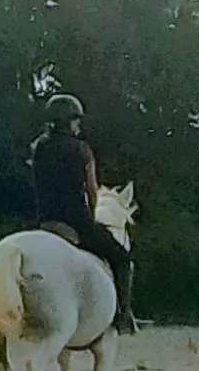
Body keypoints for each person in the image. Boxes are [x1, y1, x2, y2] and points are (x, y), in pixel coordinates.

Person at [30, 93, 137, 335]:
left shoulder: (39, 147)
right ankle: (124, 314)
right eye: (76, 120)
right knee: (122, 258)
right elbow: (92, 191)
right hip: (75, 221)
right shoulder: (81, 150)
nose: (78, 125)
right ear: (69, 122)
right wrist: (91, 216)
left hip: (45, 221)